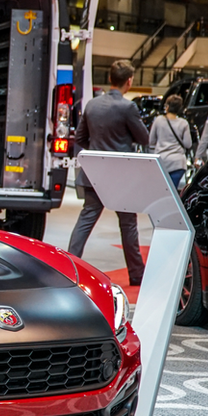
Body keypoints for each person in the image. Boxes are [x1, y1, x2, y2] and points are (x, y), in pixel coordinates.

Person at [68, 60, 149, 286]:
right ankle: (136, 275)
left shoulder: (92, 105)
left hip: (95, 173)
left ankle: (69, 266)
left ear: (111, 78)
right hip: (121, 175)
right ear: (129, 81)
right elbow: (144, 138)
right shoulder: (128, 107)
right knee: (128, 225)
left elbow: (81, 139)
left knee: (85, 220)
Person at [149, 94, 192, 189]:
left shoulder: (159, 120)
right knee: (172, 191)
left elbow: (151, 141)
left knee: (160, 191)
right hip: (178, 163)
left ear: (167, 107)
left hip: (161, 162)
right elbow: (188, 144)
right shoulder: (183, 123)